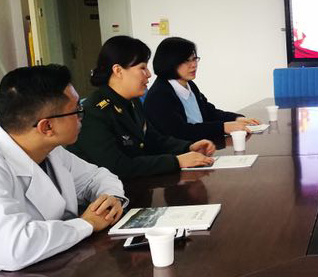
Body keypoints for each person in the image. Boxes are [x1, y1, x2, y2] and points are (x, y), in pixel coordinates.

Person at [0, 65, 126, 277]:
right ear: (47, 127)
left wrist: (110, 199)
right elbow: (15, 247)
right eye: (77, 110)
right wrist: (87, 224)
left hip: (54, 269)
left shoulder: (50, 149)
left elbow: (97, 177)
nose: (82, 116)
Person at [69, 36, 215, 178]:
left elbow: (153, 139)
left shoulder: (133, 101)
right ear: (118, 71)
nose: (149, 74)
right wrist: (176, 161)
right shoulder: (94, 112)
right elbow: (118, 166)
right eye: (142, 68)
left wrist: (188, 147)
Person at [144, 37, 259, 141]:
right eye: (186, 61)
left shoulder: (189, 85)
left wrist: (236, 118)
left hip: (201, 146)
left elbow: (209, 112)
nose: (194, 65)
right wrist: (223, 127)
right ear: (170, 63)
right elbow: (180, 132)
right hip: (183, 153)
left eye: (194, 59)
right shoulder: (159, 94)